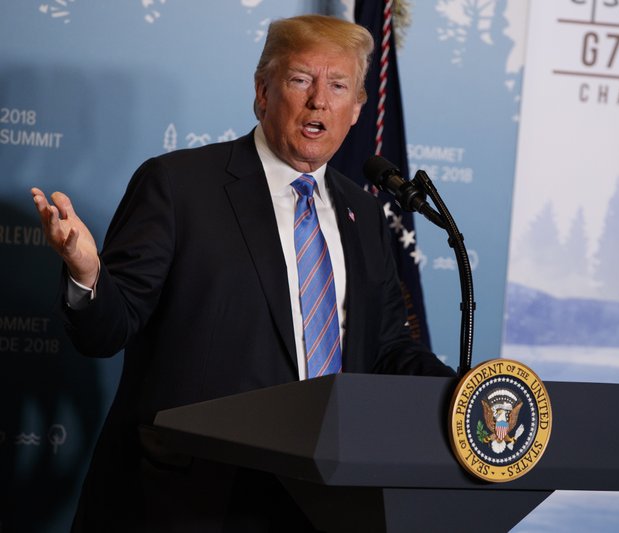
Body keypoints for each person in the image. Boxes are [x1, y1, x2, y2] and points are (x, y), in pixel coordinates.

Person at [31, 14, 453, 532]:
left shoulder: (364, 216)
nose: (319, 100)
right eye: (301, 80)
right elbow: (106, 332)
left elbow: (388, 348)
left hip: (323, 504)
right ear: (262, 91)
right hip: (188, 500)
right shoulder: (178, 186)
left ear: (358, 109)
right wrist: (87, 275)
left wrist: (462, 392)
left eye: (338, 85)